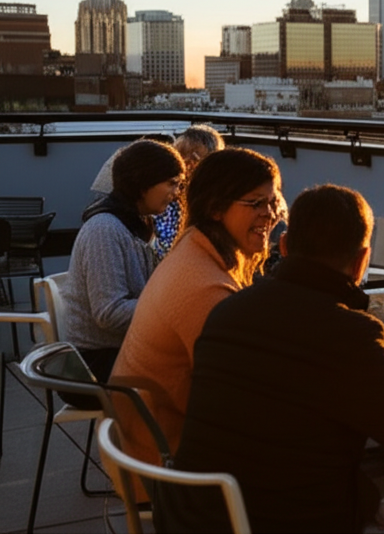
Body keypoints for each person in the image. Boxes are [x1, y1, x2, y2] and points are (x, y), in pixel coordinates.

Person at [155, 184, 384, 533]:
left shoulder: (226, 311)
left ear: (283, 246)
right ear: (362, 261)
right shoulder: (351, 335)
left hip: (191, 519)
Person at [109, 147, 285, 464]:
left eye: (273, 203)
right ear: (216, 208)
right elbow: (246, 396)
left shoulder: (195, 247)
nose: (270, 215)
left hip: (149, 444)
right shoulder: (205, 287)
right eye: (256, 203)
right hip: (168, 464)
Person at [60, 139, 185, 407]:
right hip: (94, 367)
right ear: (143, 184)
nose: (177, 192)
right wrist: (173, 308)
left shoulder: (140, 223)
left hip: (120, 352)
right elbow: (109, 313)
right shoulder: (105, 230)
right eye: (172, 183)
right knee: (197, 375)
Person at [152, 124, 225, 259]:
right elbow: (164, 248)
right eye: (180, 159)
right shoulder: (164, 201)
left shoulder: (218, 205)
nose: (186, 168)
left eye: (194, 161)